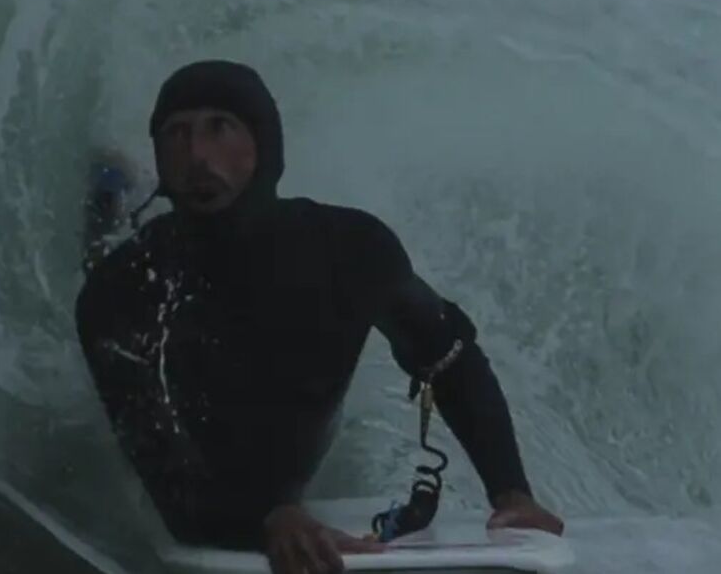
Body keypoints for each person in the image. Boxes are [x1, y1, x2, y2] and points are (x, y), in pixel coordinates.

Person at [75, 60, 564, 574]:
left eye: (220, 128)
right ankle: (109, 198)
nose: (197, 155)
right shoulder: (124, 291)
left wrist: (510, 491)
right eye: (177, 135)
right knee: (100, 263)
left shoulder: (350, 252)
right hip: (209, 469)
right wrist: (266, 518)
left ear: (264, 143)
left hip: (277, 476)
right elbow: (164, 475)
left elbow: (448, 360)